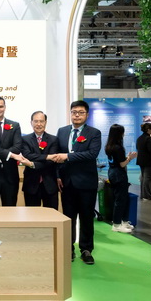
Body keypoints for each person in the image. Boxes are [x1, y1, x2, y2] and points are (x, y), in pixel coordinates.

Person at [53, 100, 102, 264]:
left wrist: (68, 156)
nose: (77, 115)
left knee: (87, 217)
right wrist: (58, 175)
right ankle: (69, 248)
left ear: (87, 115)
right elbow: (57, 155)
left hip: (86, 183)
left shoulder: (94, 133)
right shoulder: (62, 131)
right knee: (68, 218)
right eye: (74, 112)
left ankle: (86, 250)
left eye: (81, 112)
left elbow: (91, 154)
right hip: (66, 183)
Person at [19, 111, 59, 209]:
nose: (39, 124)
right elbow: (27, 155)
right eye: (36, 121)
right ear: (31, 122)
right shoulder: (25, 139)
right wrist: (47, 157)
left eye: (41, 121)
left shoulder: (54, 139)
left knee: (51, 215)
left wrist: (32, 164)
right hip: (31, 183)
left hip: (49, 183)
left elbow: (52, 160)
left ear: (46, 122)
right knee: (32, 215)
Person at [105, 124, 137, 233]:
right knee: (120, 200)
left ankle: (124, 221)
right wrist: (130, 158)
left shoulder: (109, 146)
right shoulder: (118, 148)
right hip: (119, 175)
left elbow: (118, 161)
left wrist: (126, 158)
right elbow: (122, 164)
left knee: (123, 198)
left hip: (113, 173)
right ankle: (117, 224)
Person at [136, 123, 151, 200]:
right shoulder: (149, 139)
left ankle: (143, 194)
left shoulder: (139, 138)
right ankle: (147, 195)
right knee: (147, 178)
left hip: (141, 161)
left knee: (143, 178)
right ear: (148, 130)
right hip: (148, 161)